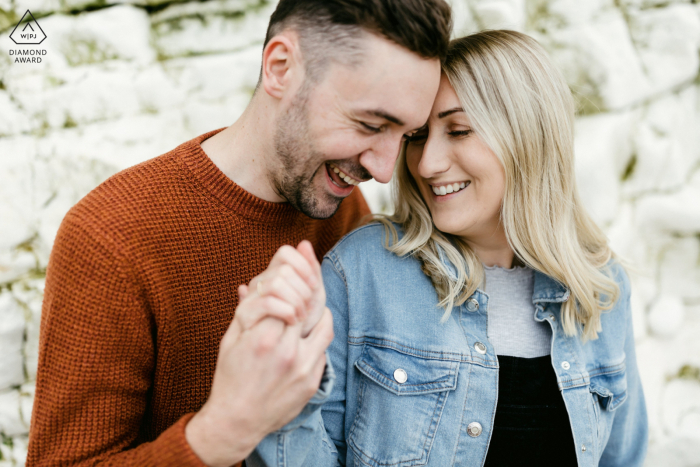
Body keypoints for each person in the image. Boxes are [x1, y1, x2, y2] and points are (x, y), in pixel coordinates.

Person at [25, 1, 452, 466]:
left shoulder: (343, 208)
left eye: (406, 135)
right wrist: (225, 428)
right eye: (371, 124)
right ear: (280, 68)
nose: (385, 169)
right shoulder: (111, 236)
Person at [247, 30, 649, 467]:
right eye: (418, 136)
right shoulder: (363, 273)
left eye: (458, 131)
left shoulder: (602, 288)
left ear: (527, 137)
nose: (426, 163)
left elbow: (622, 457)